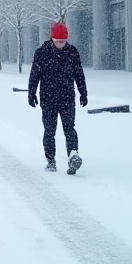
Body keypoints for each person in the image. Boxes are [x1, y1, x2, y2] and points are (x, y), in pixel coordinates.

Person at [27, 21, 88, 174]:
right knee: (49, 130)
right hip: (48, 98)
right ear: (52, 38)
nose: (60, 44)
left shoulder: (72, 52)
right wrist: (31, 93)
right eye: (57, 41)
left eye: (63, 41)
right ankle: (50, 160)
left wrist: (83, 92)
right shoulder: (42, 52)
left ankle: (73, 155)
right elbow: (35, 74)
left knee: (69, 128)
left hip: (67, 97)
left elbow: (79, 74)